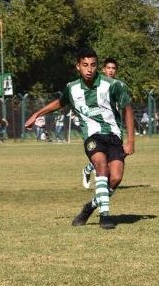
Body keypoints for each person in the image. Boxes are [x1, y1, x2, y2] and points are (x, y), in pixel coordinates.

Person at [25, 48, 135, 230]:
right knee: (101, 166)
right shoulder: (72, 88)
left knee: (115, 178)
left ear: (97, 66)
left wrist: (130, 141)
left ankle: (90, 207)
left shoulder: (113, 85)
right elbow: (60, 102)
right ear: (78, 66)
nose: (89, 69)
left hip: (114, 136)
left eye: (93, 65)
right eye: (85, 65)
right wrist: (37, 113)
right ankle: (105, 216)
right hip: (92, 136)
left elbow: (128, 108)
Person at [82, 57, 121, 188]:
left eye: (113, 68)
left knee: (117, 155)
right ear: (103, 69)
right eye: (108, 68)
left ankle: (89, 170)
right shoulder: (98, 86)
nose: (111, 71)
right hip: (100, 129)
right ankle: (90, 172)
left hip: (116, 127)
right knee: (103, 156)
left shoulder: (118, 85)